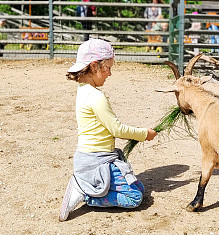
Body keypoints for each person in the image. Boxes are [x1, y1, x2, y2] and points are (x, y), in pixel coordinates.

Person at [59, 39, 157, 221]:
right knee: (134, 197)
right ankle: (84, 192)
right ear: (94, 66)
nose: (110, 74)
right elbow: (117, 129)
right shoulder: (95, 97)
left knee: (140, 188)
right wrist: (144, 134)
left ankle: (89, 186)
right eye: (108, 68)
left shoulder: (83, 90)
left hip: (93, 157)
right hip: (95, 160)